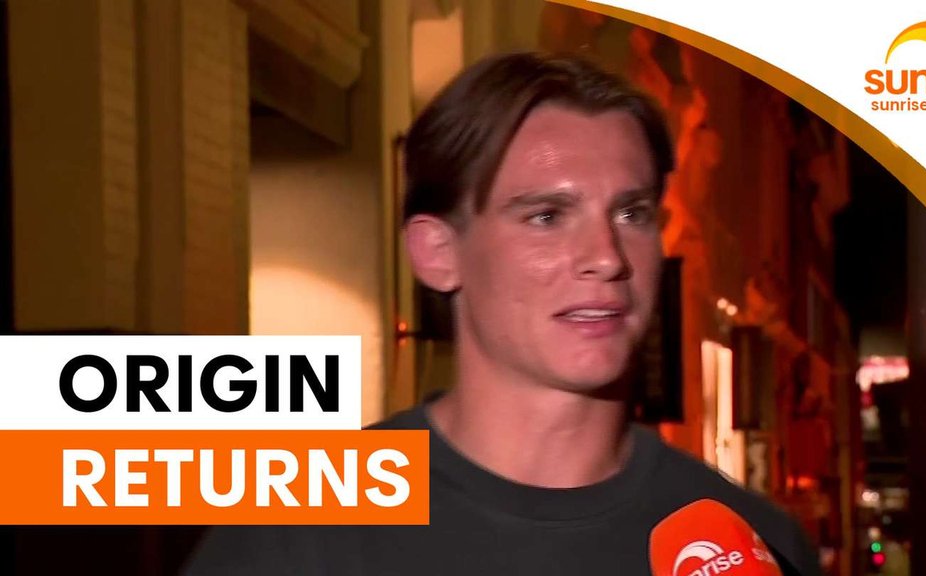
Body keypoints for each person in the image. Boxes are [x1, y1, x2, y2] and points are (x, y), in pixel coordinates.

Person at [184, 52, 822, 576]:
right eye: (546, 216)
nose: (607, 257)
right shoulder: (295, 532)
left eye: (631, 214)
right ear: (438, 253)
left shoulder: (752, 545)